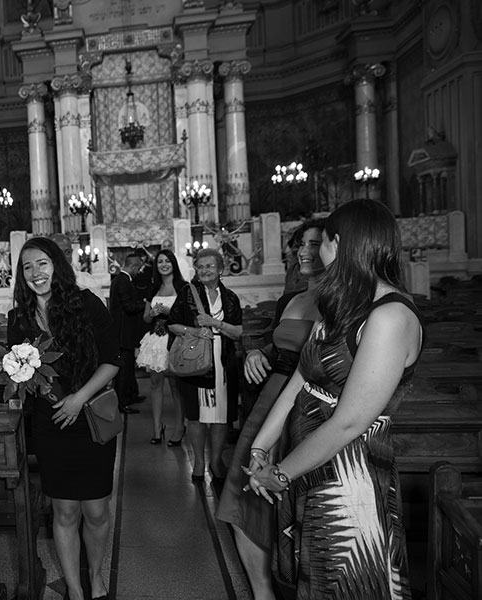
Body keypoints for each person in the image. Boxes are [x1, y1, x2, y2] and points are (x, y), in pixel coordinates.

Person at [247, 199, 422, 599]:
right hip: (309, 460)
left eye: (321, 242)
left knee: (346, 581)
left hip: (349, 473)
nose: (315, 252)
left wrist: (280, 475)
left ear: (339, 245)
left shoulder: (390, 316)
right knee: (314, 580)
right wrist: (262, 447)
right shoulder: (343, 305)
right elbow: (299, 380)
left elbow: (350, 421)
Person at [215, 218, 325, 600]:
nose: (304, 252)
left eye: (314, 244)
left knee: (287, 502)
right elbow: (282, 346)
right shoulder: (291, 299)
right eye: (300, 244)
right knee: (241, 498)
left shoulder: (338, 301)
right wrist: (259, 351)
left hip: (306, 406)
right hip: (269, 401)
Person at [8, 237, 120, 600]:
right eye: (27, 267)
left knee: (97, 509)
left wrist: (78, 398)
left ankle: (97, 575)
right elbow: (18, 371)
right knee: (65, 510)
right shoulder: (19, 319)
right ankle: (74, 588)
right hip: (51, 423)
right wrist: (27, 384)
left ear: (56, 265)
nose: (35, 273)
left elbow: (112, 360)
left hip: (90, 418)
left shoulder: (86, 304)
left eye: (41, 263)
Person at [167, 247, 242, 484]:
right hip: (196, 362)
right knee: (197, 416)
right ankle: (199, 461)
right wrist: (196, 331)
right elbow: (172, 324)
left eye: (210, 266)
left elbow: (239, 333)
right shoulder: (188, 293)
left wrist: (214, 323)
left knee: (221, 417)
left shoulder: (230, 298)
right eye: (200, 266)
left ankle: (216, 460)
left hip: (224, 362)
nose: (205, 270)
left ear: (220, 269)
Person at [136, 249, 189, 445]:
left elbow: (186, 315)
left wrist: (168, 311)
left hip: (175, 338)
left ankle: (179, 427)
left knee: (176, 385)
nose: (164, 264)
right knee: (155, 384)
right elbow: (146, 317)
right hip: (156, 339)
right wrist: (153, 313)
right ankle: (157, 428)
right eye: (160, 262)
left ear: (173, 263)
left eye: (167, 261)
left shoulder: (183, 287)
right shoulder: (153, 288)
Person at [109, 251, 146, 414]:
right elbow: (129, 307)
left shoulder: (122, 280)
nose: (139, 272)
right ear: (133, 266)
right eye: (138, 268)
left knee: (129, 367)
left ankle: (131, 395)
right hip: (122, 333)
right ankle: (122, 402)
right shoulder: (122, 281)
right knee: (123, 370)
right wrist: (145, 305)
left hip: (125, 332)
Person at [50, 232, 106, 305]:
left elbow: (101, 306)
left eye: (67, 252)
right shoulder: (43, 280)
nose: (63, 257)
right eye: (58, 252)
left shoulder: (85, 279)